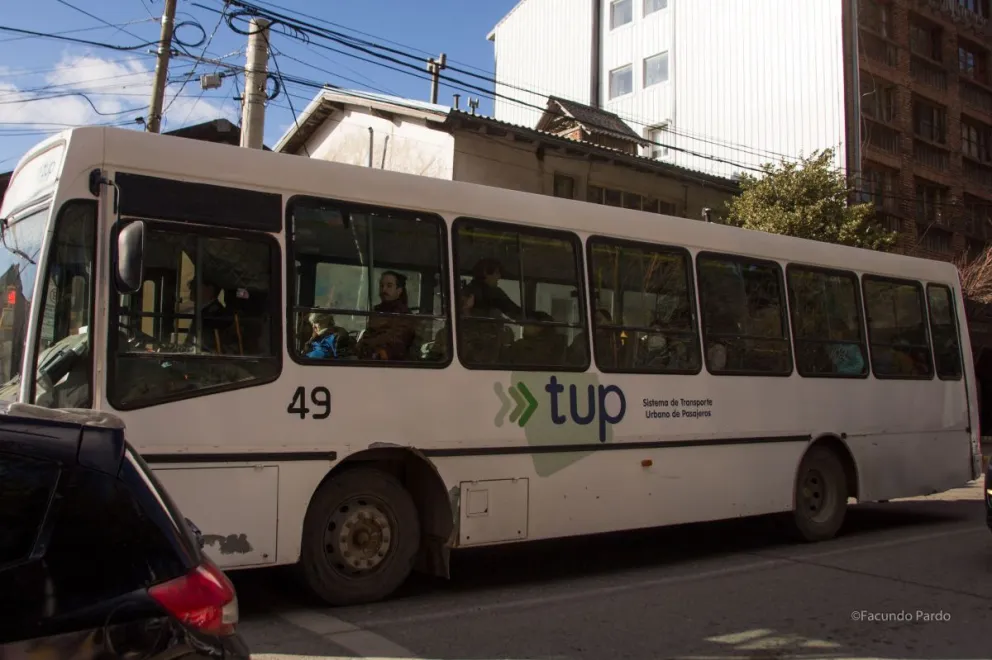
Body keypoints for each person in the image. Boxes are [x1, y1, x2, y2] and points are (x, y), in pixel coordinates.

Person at [358, 271, 416, 360]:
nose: (384, 290)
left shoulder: (404, 315)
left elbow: (396, 341)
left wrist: (376, 348)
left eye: (389, 286)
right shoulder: (376, 311)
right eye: (381, 286)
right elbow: (368, 334)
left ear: (399, 290)